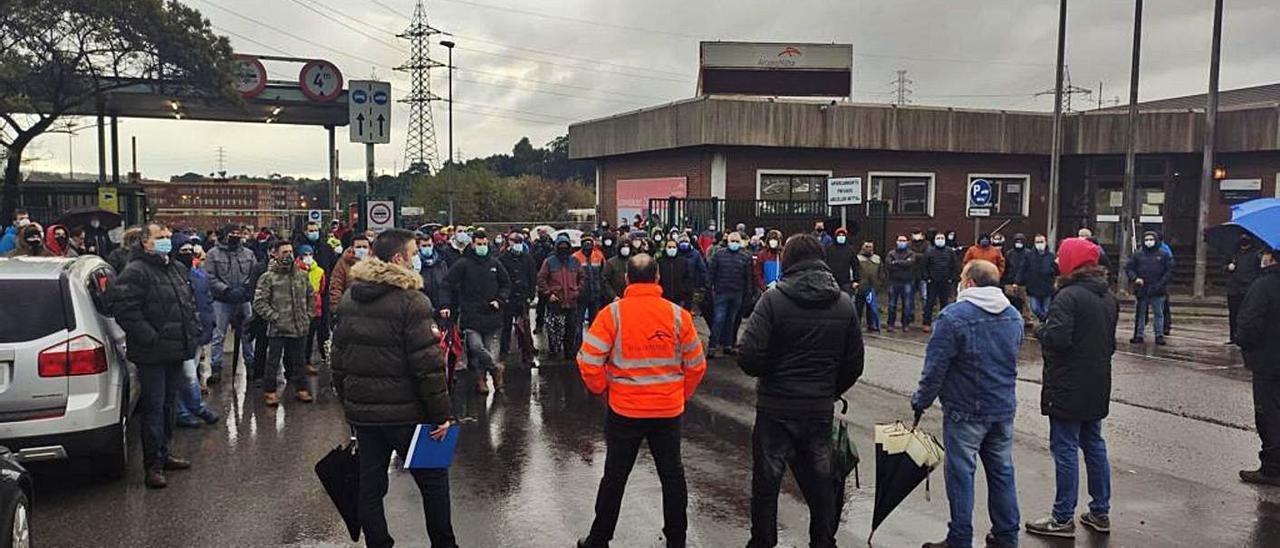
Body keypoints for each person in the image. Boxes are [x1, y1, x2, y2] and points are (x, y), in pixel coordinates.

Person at [330, 228, 457, 548]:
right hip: (410, 414)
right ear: (399, 258)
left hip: (365, 415)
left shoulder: (351, 297)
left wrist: (350, 403)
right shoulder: (413, 301)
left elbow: (338, 358)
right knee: (433, 482)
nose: (416, 259)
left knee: (370, 487)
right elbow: (428, 367)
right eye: (413, 253)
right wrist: (442, 416)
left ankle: (379, 543)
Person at [738, 234, 864, 548]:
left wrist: (771, 376)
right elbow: (854, 363)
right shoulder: (844, 304)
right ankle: (823, 541)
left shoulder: (772, 300)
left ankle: (763, 542)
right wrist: (829, 389)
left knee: (767, 484)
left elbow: (749, 355)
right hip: (818, 409)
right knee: (822, 483)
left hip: (775, 408)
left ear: (789, 261)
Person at [576, 253, 706, 548]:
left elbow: (588, 360)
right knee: (672, 475)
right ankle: (677, 540)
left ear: (626, 280)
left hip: (625, 410)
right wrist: (678, 394)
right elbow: (696, 365)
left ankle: (599, 538)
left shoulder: (612, 314)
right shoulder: (678, 316)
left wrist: (603, 389)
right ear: (657, 277)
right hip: (668, 411)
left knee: (615, 476)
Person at [911, 260, 1023, 548]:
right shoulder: (1012, 315)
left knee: (961, 475)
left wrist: (920, 401)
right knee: (1002, 472)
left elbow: (935, 367)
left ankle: (960, 538)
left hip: (966, 410)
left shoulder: (953, 317)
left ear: (970, 282)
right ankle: (1007, 535)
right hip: (1002, 408)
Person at [1024, 237, 1118, 539]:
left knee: (1065, 449)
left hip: (1067, 384)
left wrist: (1040, 330)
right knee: (1094, 445)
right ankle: (1100, 511)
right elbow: (1110, 343)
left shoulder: (1068, 297)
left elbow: (1059, 339)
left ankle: (1062, 517)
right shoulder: (1107, 297)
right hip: (1097, 382)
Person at [110, 222, 201, 489]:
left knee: (169, 405)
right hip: (152, 354)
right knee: (153, 408)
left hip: (176, 349)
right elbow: (125, 309)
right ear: (146, 242)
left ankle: (164, 451)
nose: (166, 241)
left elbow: (186, 303)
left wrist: (192, 331)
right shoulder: (136, 271)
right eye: (161, 237)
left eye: (168, 237)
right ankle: (153, 465)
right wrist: (151, 336)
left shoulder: (175, 267)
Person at [446, 229, 511, 394]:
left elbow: (506, 284)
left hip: (492, 316)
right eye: (478, 244)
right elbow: (447, 283)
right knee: (475, 347)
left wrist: (499, 300)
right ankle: (496, 369)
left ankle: (487, 381)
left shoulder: (495, 264)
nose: (482, 247)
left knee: (489, 351)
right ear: (472, 245)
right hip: (472, 315)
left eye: (484, 244)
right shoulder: (463, 264)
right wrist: (449, 303)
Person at [1237, 246, 1280, 486]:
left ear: (1271, 258)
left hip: (1268, 362)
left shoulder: (1264, 285)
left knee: (1269, 413)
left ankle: (1272, 468)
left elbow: (1248, 323)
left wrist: (1245, 344)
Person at [253, 240, 315, 406]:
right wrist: (274, 317)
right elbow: (259, 302)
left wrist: (308, 315)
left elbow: (311, 296)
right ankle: (270, 392)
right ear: (276, 254)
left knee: (299, 360)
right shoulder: (268, 277)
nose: (288, 255)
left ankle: (302, 389)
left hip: (299, 326)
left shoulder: (301, 275)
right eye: (284, 252)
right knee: (273, 361)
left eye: (290, 251)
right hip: (278, 328)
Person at [172, 234, 221, 429]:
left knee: (189, 372)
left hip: (199, 331)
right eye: (182, 251)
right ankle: (188, 410)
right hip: (181, 333)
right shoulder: (174, 276)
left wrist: (210, 323)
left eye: (189, 250)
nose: (187, 254)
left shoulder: (198, 275)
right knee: (188, 374)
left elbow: (206, 301)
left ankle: (191, 408)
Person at [204, 224, 258, 385]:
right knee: (218, 335)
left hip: (243, 299)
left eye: (237, 233)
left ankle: (251, 366)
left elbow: (254, 273)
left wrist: (246, 288)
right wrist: (225, 290)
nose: (235, 236)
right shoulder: (213, 254)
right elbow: (210, 276)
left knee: (248, 335)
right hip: (222, 300)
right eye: (232, 233)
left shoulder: (248, 253)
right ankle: (216, 368)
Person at [537, 233, 585, 362]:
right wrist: (548, 293)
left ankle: (569, 354)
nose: (563, 249)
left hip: (571, 301)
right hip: (556, 302)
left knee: (571, 328)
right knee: (554, 330)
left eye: (566, 246)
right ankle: (554, 351)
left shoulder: (575, 261)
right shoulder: (549, 262)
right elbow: (541, 279)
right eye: (561, 246)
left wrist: (577, 291)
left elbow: (582, 277)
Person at [706, 231, 753, 358]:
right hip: (723, 292)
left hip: (736, 292)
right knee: (719, 320)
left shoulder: (744, 257)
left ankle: (727, 344)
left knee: (731, 320)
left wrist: (748, 292)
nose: (735, 244)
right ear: (728, 242)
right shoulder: (720, 255)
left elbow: (748, 277)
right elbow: (711, 273)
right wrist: (709, 287)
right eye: (733, 241)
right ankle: (713, 346)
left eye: (737, 241)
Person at [1124, 231, 1173, 345]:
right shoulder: (1138, 254)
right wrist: (1135, 278)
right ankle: (1139, 334)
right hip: (1142, 288)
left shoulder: (1163, 255)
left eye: (1151, 239)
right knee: (1140, 313)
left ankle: (1159, 335)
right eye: (1147, 239)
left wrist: (1160, 283)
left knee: (1158, 313)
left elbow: (1169, 271)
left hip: (1158, 288)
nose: (1149, 242)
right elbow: (1129, 268)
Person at [497, 232, 537, 366]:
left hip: (523, 297)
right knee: (506, 326)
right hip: (509, 298)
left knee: (524, 327)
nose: (518, 244)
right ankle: (503, 352)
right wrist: (502, 296)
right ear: (509, 242)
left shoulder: (527, 258)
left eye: (520, 241)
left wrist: (531, 294)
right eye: (516, 241)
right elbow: (500, 279)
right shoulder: (503, 259)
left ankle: (527, 352)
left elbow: (532, 277)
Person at [297, 244, 329, 376]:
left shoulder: (320, 271)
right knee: (300, 338)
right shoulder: (295, 270)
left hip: (315, 308)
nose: (308, 257)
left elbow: (322, 289)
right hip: (300, 308)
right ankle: (298, 363)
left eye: (310, 254)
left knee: (310, 337)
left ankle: (307, 361)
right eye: (305, 255)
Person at [1225, 236, 1263, 343]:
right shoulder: (1233, 254)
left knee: (1246, 314)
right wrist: (1228, 267)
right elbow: (1224, 266)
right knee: (1233, 314)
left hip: (1248, 288)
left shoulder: (1255, 254)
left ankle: (1243, 335)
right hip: (1233, 288)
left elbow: (1258, 270)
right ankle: (1233, 336)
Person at [922, 231, 960, 332]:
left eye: (942, 238)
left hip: (945, 281)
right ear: (934, 240)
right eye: (938, 238)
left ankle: (944, 323)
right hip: (932, 282)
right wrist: (927, 278)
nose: (940, 240)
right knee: (929, 303)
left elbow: (955, 265)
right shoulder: (929, 251)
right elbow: (924, 266)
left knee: (945, 303)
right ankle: (926, 323)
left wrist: (952, 278)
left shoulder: (949, 251)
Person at [1018, 234, 1059, 323]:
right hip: (1033, 286)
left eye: (1041, 241)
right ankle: (1043, 320)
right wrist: (1017, 281)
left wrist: (1053, 268)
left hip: (1047, 287)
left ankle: (1043, 325)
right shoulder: (1029, 255)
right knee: (1035, 308)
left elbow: (1057, 271)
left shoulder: (1051, 256)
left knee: (1046, 309)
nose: (1039, 244)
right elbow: (1023, 268)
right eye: (1037, 242)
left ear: (1045, 242)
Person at [885, 235, 919, 332]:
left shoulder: (911, 253)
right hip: (893, 281)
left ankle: (905, 324)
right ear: (896, 241)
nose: (901, 242)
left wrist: (896, 262)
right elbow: (889, 265)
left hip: (907, 282)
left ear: (907, 242)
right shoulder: (891, 253)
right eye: (900, 240)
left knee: (907, 305)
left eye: (903, 240)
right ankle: (890, 324)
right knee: (892, 305)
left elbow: (911, 264)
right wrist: (904, 263)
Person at [329, 233, 370, 314]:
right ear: (352, 248)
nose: (362, 249)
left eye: (365, 247)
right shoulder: (343, 263)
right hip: (350, 309)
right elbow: (336, 286)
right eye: (358, 247)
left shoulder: (375, 263)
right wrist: (337, 309)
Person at [574, 235, 608, 324]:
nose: (587, 245)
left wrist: (602, 291)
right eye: (585, 242)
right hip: (581, 296)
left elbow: (604, 274)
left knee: (595, 323)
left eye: (589, 242)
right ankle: (578, 338)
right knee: (578, 321)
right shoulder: (575, 257)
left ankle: (591, 338)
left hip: (596, 294)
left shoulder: (599, 255)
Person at [856, 241, 884, 332]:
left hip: (873, 287)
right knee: (858, 307)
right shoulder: (857, 258)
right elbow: (854, 270)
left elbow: (881, 272)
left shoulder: (877, 258)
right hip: (860, 286)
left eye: (870, 246)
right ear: (862, 247)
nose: (868, 248)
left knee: (871, 307)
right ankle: (857, 324)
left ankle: (871, 324)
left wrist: (880, 283)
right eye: (866, 246)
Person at [825, 228, 859, 299]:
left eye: (843, 235)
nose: (841, 237)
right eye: (839, 235)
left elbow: (855, 265)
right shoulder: (829, 249)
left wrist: (856, 280)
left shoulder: (850, 249)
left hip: (845, 281)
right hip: (831, 280)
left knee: (846, 300)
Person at [531, 229, 555, 333]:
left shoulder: (552, 245)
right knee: (541, 305)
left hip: (552, 278)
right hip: (541, 276)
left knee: (551, 306)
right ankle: (539, 324)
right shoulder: (536, 245)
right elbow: (534, 258)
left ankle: (550, 325)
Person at [1002, 234, 1029, 322]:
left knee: (1026, 304)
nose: (1019, 243)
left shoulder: (1028, 254)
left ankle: (1026, 320)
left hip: (1024, 283)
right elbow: (1005, 268)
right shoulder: (1009, 254)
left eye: (1021, 242)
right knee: (1010, 302)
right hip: (1010, 282)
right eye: (1017, 241)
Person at [658, 239, 692, 306]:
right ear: (665, 248)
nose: (671, 249)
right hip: (664, 298)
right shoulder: (660, 262)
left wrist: (685, 293)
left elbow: (688, 279)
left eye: (674, 247)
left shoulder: (683, 262)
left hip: (679, 299)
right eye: (669, 247)